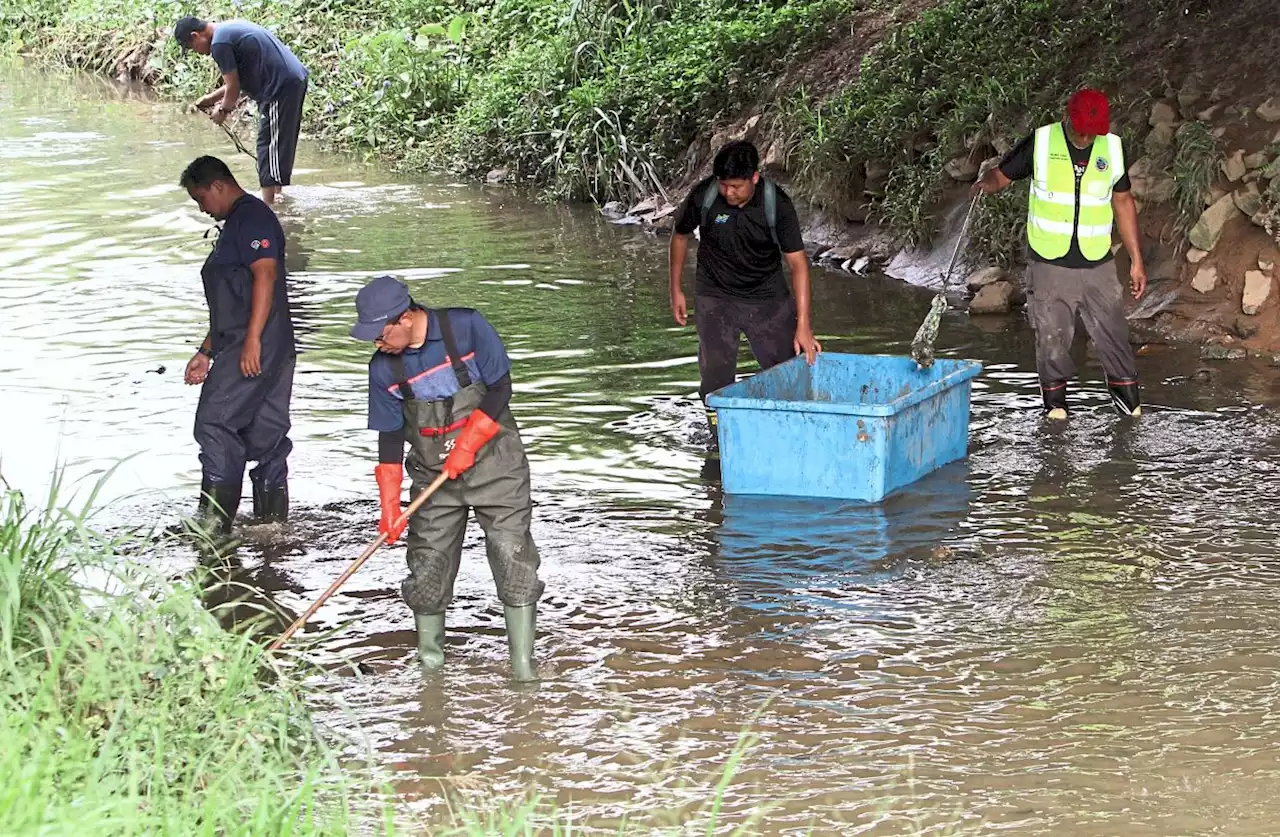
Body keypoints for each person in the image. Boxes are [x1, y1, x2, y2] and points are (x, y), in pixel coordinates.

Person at [350, 276, 543, 682]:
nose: (376, 343)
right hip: (432, 476)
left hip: (497, 465)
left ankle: (523, 670)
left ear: (405, 318)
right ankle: (430, 670)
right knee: (428, 567)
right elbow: (389, 437)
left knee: (511, 555)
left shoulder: (467, 327)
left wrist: (470, 442)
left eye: (381, 333)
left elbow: (500, 388)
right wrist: (390, 505)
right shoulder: (382, 369)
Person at [975, 88, 1147, 419]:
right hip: (1050, 263)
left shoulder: (1111, 147)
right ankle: (1056, 416)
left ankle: (1130, 412)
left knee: (1114, 338)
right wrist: (985, 184)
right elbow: (1002, 176)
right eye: (1081, 127)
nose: (1086, 136)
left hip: (1097, 262)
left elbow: (1122, 201)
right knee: (1052, 339)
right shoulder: (1041, 142)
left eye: (1092, 130)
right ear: (1068, 117)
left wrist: (1137, 261)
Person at [669, 140, 822, 440]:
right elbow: (680, 235)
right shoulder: (705, 196)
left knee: (786, 370)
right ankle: (718, 437)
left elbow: (799, 265)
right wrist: (675, 289)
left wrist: (803, 326)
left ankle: (791, 434)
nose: (729, 192)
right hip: (715, 296)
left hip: (766, 299)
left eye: (737, 186)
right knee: (714, 374)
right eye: (724, 185)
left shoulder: (776, 204)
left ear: (754, 177)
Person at [181, 155, 296, 535]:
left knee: (215, 422)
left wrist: (251, 343)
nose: (202, 208)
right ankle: (272, 528)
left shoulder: (252, 218)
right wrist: (206, 350)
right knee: (265, 432)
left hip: (255, 346)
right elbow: (235, 300)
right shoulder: (238, 224)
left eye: (201, 199)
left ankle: (213, 528)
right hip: (264, 343)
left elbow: (265, 276)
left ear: (217, 186)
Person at [174, 16, 309, 206]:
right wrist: (210, 99)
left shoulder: (219, 43)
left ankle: (268, 205)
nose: (196, 52)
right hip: (291, 79)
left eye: (191, 48)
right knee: (278, 142)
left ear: (196, 36)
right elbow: (240, 81)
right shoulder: (229, 29)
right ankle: (278, 196)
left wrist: (222, 111)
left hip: (279, 86)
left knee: (267, 143)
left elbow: (234, 87)